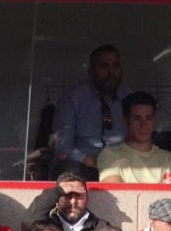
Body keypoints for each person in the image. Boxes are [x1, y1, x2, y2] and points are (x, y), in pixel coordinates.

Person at [51, 45, 126, 177]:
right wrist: (85, 159)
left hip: (122, 165)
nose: (111, 72)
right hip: (84, 166)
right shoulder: (73, 100)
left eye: (115, 66)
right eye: (104, 66)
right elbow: (61, 147)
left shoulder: (128, 99)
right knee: (71, 172)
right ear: (91, 72)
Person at [95, 91, 171, 184]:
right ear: (126, 121)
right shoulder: (110, 155)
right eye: (136, 119)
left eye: (148, 118)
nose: (143, 126)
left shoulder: (170, 159)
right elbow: (117, 195)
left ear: (154, 121)